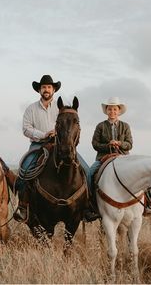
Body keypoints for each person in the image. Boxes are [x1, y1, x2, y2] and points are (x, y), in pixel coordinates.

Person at [13, 74, 90, 222]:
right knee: (25, 170)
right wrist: (43, 134)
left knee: (86, 170)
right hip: (39, 144)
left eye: (49, 87)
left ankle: (87, 206)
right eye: (43, 87)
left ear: (53, 90)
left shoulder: (61, 108)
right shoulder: (31, 109)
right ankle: (23, 206)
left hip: (61, 144)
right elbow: (26, 129)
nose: (46, 89)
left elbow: (70, 125)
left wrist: (61, 134)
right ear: (39, 90)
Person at [87, 96, 133, 220]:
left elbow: (129, 144)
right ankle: (89, 204)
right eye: (110, 109)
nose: (112, 112)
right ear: (106, 111)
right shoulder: (100, 126)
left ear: (119, 111)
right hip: (104, 157)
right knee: (89, 173)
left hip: (123, 157)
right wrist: (108, 145)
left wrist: (119, 143)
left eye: (114, 109)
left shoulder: (125, 126)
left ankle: (147, 204)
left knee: (138, 172)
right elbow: (95, 144)